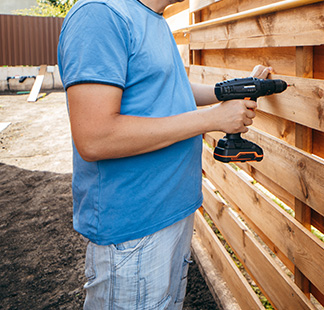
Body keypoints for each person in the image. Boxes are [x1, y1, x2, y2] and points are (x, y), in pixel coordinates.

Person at [57, 0, 272, 308]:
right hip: (134, 229)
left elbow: (170, 88)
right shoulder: (101, 14)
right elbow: (95, 137)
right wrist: (212, 119)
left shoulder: (152, 18)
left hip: (172, 211)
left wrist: (237, 89)